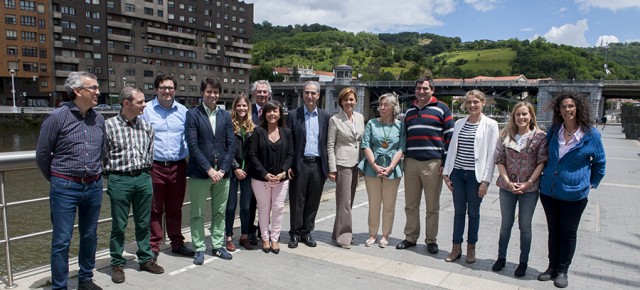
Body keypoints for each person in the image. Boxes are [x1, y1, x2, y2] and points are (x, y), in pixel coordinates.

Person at [36, 71, 104, 290]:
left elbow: (101, 152)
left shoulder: (99, 119)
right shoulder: (57, 118)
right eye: (92, 88)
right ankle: (60, 286)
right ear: (77, 91)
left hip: (93, 186)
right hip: (65, 186)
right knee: (61, 240)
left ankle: (85, 279)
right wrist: (58, 178)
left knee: (89, 235)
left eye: (96, 87)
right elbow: (43, 155)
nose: (97, 92)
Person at [537, 92, 606, 288]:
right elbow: (545, 155)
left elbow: (600, 163)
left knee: (568, 232)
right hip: (549, 192)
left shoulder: (591, 135)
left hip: (575, 195)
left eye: (571, 106)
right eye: (564, 107)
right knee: (553, 230)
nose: (567, 110)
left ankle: (563, 270)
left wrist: (590, 183)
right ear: (559, 110)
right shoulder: (554, 130)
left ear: (578, 108)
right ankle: (551, 267)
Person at [104, 87, 164, 284]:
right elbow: (102, 156)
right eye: (140, 102)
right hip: (119, 179)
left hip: (143, 178)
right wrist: (113, 177)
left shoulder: (147, 127)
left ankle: (145, 259)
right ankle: (117, 263)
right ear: (126, 103)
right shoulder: (108, 126)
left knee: (143, 222)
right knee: (119, 225)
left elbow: (150, 153)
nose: (144, 105)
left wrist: (144, 174)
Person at [397, 76, 454, 254]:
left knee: (432, 206)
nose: (422, 91)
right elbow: (403, 138)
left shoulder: (442, 109)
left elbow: (449, 138)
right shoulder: (409, 112)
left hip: (433, 163)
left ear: (432, 90)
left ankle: (431, 240)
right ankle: (411, 237)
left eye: (425, 88)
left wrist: (445, 163)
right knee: (411, 204)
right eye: (419, 88)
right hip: (411, 162)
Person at [491, 102, 548, 277]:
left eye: (525, 114)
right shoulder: (506, 135)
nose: (521, 118)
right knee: (505, 224)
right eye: (518, 115)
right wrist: (507, 181)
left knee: (525, 226)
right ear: (513, 117)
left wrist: (529, 183)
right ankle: (501, 257)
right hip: (507, 187)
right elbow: (500, 160)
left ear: (531, 116)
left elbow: (541, 162)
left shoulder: (539, 137)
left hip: (529, 189)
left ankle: (523, 262)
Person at [442, 89, 499, 263]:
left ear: (483, 103)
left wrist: (486, 181)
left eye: (476, 102)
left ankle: (471, 248)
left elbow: (492, 154)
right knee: (458, 212)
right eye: (469, 102)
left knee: (473, 212)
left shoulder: (490, 125)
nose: (472, 105)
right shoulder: (459, 123)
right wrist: (446, 172)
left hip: (476, 176)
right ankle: (456, 247)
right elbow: (452, 149)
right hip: (458, 173)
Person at [141, 74, 194, 260]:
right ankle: (153, 246)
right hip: (154, 166)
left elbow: (189, 136)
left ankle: (177, 243)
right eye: (163, 87)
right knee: (154, 208)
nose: (167, 91)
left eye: (170, 87)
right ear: (156, 89)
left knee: (175, 208)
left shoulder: (183, 111)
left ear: (175, 90)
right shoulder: (146, 110)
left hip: (178, 166)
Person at [185, 77, 236, 264]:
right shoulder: (193, 114)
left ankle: (217, 245)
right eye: (209, 92)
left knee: (219, 212)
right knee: (197, 212)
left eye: (215, 92)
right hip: (200, 173)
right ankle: (199, 247)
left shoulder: (225, 115)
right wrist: (208, 169)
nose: (212, 95)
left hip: (223, 174)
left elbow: (231, 145)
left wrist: (222, 169)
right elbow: (193, 146)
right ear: (202, 93)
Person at [287, 81, 331, 248]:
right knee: (297, 199)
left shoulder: (325, 117)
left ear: (318, 95)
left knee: (313, 200)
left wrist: (329, 168)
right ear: (303, 94)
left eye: (313, 93)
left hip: (318, 165)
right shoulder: (293, 115)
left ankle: (307, 232)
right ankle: (295, 233)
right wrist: (289, 165)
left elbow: (328, 143)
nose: (310, 96)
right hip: (300, 164)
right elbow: (289, 142)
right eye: (307, 92)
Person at [359, 93, 406, 248]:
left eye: (386, 105)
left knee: (389, 205)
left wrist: (391, 167)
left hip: (392, 169)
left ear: (393, 108)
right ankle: (372, 234)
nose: (382, 108)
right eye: (380, 105)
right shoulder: (372, 123)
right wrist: (375, 166)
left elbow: (401, 148)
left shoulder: (400, 126)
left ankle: (385, 235)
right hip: (373, 168)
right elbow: (366, 145)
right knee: (374, 203)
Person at [247, 100, 294, 254]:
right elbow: (252, 155)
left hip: (281, 179)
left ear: (280, 113)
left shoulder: (286, 132)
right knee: (264, 208)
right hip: (261, 180)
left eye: (275, 111)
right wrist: (265, 174)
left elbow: (290, 154)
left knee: (278, 209)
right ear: (264, 113)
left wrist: (283, 172)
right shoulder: (257, 132)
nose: (272, 114)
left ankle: (275, 239)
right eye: (269, 111)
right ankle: (265, 238)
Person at [327, 87, 365, 249]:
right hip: (342, 163)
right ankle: (344, 237)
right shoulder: (335, 120)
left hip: (356, 163)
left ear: (355, 100)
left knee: (348, 201)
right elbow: (330, 145)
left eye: (351, 99)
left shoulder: (360, 117)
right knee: (344, 202)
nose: (349, 102)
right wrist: (332, 169)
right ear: (341, 102)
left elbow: (360, 141)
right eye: (346, 100)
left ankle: (337, 232)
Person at [224, 93, 255, 251]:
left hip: (248, 173)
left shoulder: (252, 128)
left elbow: (254, 153)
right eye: (239, 105)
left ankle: (244, 236)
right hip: (232, 171)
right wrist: (236, 167)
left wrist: (246, 169)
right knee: (230, 206)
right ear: (234, 107)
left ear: (248, 108)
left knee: (246, 206)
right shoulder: (229, 126)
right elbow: (226, 149)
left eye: (244, 106)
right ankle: (228, 237)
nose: (241, 108)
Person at [248, 80, 272, 244]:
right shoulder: (246, 112)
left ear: (269, 94)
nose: (262, 94)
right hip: (251, 165)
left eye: (265, 92)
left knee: (268, 203)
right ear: (254, 94)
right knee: (250, 202)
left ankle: (264, 230)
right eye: (259, 91)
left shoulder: (274, 112)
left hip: (270, 166)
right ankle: (249, 231)